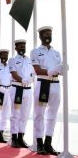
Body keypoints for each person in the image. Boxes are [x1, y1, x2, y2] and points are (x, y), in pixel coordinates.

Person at [31, 26, 62, 155]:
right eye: (45, 34)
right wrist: (50, 71)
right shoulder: (35, 51)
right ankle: (39, 143)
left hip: (55, 84)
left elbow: (61, 69)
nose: (48, 36)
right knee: (39, 115)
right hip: (43, 83)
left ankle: (48, 143)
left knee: (52, 116)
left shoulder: (57, 53)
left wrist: (63, 69)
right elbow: (37, 70)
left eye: (49, 33)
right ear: (40, 36)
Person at [8, 39, 34, 148]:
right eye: (20, 46)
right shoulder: (12, 60)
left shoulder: (29, 60)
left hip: (28, 89)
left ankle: (20, 137)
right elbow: (14, 74)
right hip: (17, 88)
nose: (22, 48)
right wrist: (23, 80)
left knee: (25, 115)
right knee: (15, 115)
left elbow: (33, 73)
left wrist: (31, 79)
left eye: (23, 46)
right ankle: (14, 138)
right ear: (16, 48)